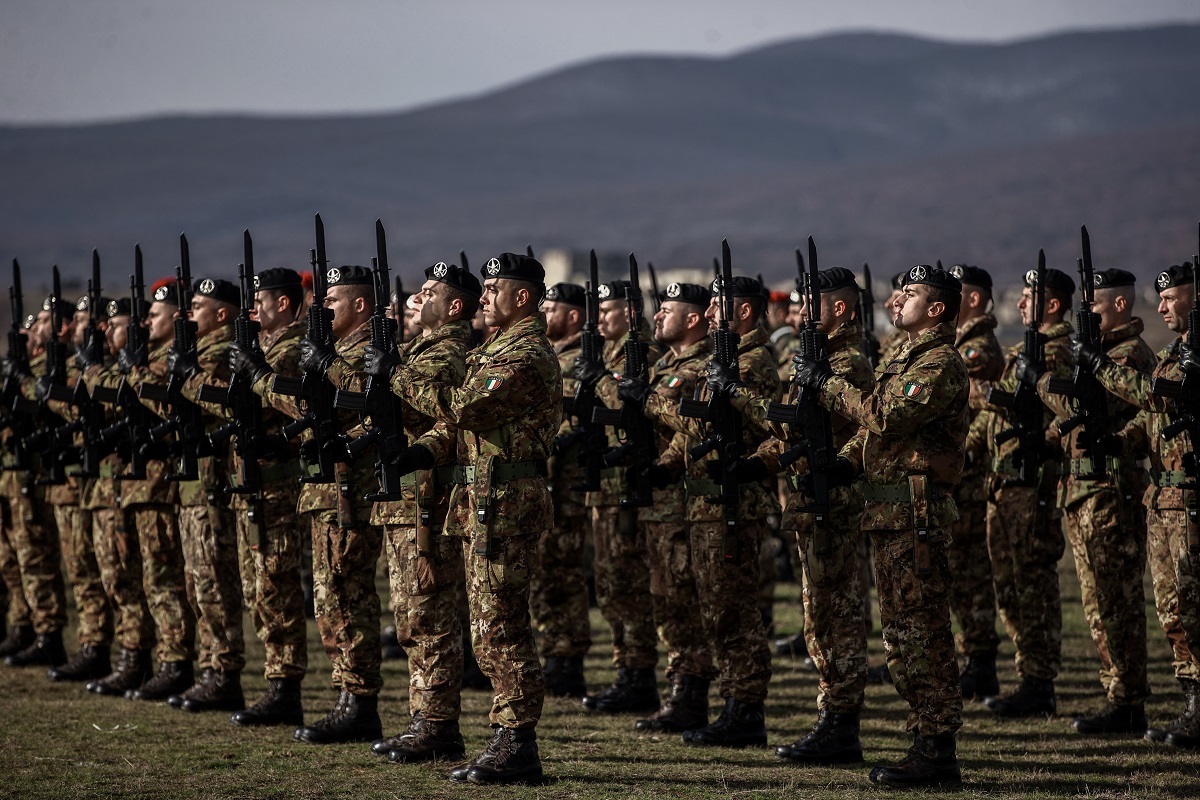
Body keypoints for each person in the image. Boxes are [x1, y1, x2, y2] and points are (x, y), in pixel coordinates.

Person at [370, 252, 560, 785]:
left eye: (496, 287)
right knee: (486, 626)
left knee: (503, 626)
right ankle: (503, 738)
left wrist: (395, 376)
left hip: (508, 502)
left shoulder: (526, 353)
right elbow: (455, 430)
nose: (486, 295)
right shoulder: (495, 348)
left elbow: (465, 406)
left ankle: (518, 744)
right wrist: (423, 453)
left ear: (522, 298)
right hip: (482, 500)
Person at [793, 264, 969, 788]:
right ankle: (925, 742)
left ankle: (938, 752)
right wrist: (845, 462)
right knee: (901, 635)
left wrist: (827, 385)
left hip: (915, 518)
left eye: (909, 294)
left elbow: (885, 416)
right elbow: (878, 437)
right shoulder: (903, 357)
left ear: (935, 309)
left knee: (922, 633)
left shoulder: (939, 364)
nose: (895, 301)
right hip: (889, 515)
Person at [719, 266, 874, 764]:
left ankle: (841, 725)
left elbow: (853, 427)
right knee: (818, 617)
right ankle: (831, 720)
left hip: (836, 506)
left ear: (842, 308)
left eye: (813, 303)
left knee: (838, 617)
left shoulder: (845, 363)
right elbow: (787, 428)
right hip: (810, 504)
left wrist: (739, 394)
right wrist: (756, 463)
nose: (802, 312)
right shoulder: (818, 359)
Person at [252, 264, 384, 744]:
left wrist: (318, 364)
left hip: (351, 491)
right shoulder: (331, 349)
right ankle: (348, 697)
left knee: (349, 596)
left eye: (332, 301)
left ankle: (360, 701)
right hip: (325, 489)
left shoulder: (372, 348)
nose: (322, 307)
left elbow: (355, 399)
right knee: (331, 599)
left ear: (360, 305)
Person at [653, 274, 778, 748]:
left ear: (742, 312)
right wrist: (666, 466)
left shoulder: (753, 362)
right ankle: (729, 704)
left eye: (718, 307)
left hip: (733, 501)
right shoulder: (724, 361)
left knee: (733, 611)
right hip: (704, 499)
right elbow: (696, 429)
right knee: (713, 609)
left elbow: (760, 422)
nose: (708, 315)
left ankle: (745, 710)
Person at [360, 261, 478, 762]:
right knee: (411, 616)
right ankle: (422, 719)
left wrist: (387, 370)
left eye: (430, 291)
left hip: (427, 501)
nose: (418, 296)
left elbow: (428, 411)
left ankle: (437, 725)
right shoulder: (420, 350)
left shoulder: (449, 351)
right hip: (407, 498)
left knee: (429, 616)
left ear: (453, 306)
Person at [1081, 261, 1200, 748]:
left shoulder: (1185, 358)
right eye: (1163, 298)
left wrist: (1098, 367)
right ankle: (1192, 702)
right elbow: (1153, 420)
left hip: (1190, 497)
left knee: (1193, 605)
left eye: (1173, 297)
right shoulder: (1174, 352)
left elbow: (1156, 397)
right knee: (1171, 608)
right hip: (1162, 496)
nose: (1164, 306)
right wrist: (1117, 442)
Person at [1035, 267, 1156, 734]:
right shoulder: (1101, 354)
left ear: (1120, 305)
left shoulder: (1129, 355)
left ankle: (1129, 700)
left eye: (1096, 306)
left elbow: (1099, 412)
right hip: (1082, 491)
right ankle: (1117, 695)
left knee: (1118, 599)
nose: (1087, 314)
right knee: (1096, 601)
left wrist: (1045, 383)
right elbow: (1079, 423)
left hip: (1111, 493)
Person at [969, 267, 1075, 718]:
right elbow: (997, 416)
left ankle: (1040, 681)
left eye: (1030, 296)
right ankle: (1025, 674)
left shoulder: (1060, 355)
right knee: (1009, 587)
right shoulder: (1022, 353)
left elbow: (1070, 415)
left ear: (1052, 305)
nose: (1020, 303)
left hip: (1033, 483)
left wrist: (1045, 439)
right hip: (1003, 482)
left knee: (1033, 585)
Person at [622, 281, 716, 734]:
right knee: (664, 598)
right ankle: (677, 688)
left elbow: (693, 427)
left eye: (669, 309)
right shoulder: (663, 364)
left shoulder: (702, 367)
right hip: (660, 501)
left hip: (684, 500)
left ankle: (691, 693)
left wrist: (648, 401)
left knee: (683, 601)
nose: (658, 316)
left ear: (693, 319)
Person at [225, 267, 310, 726]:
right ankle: (275, 680)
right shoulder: (268, 346)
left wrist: (256, 373)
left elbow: (297, 405)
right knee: (259, 586)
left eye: (262, 300)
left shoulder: (294, 347)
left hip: (278, 482)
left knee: (276, 583)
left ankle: (285, 685)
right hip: (254, 480)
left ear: (282, 303)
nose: (255, 308)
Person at [574, 279, 661, 714]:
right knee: (609, 587)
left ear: (629, 312)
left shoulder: (639, 352)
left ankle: (640, 674)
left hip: (630, 484)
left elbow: (634, 410)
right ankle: (625, 669)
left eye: (607, 310)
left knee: (628, 586)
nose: (601, 318)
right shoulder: (607, 351)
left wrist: (604, 380)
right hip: (606, 486)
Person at [166, 277, 245, 713]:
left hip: (214, 484)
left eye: (197, 306)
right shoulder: (198, 353)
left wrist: (187, 377)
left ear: (221, 314)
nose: (187, 313)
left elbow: (224, 401)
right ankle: (211, 668)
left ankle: (223, 672)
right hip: (196, 484)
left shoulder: (221, 353)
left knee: (214, 580)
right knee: (200, 582)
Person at [2, 294, 71, 669]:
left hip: (42, 477)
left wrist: (24, 378)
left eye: (43, 320)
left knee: (39, 559)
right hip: (18, 479)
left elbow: (46, 400)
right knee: (19, 561)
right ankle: (29, 627)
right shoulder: (30, 367)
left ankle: (48, 634)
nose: (35, 328)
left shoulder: (54, 368)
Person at [945, 264, 1005, 699]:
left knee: (970, 571)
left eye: (958, 292)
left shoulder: (977, 349)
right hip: (956, 475)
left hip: (970, 474)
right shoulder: (957, 343)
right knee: (958, 572)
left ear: (974, 300)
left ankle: (981, 661)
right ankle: (971, 658)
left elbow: (983, 410)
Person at [536, 282, 593, 697]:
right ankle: (552, 652)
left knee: (564, 575)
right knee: (544, 575)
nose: (544, 312)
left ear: (573, 316)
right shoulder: (552, 356)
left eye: (552, 307)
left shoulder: (581, 362)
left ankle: (566, 660)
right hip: (546, 482)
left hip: (568, 486)